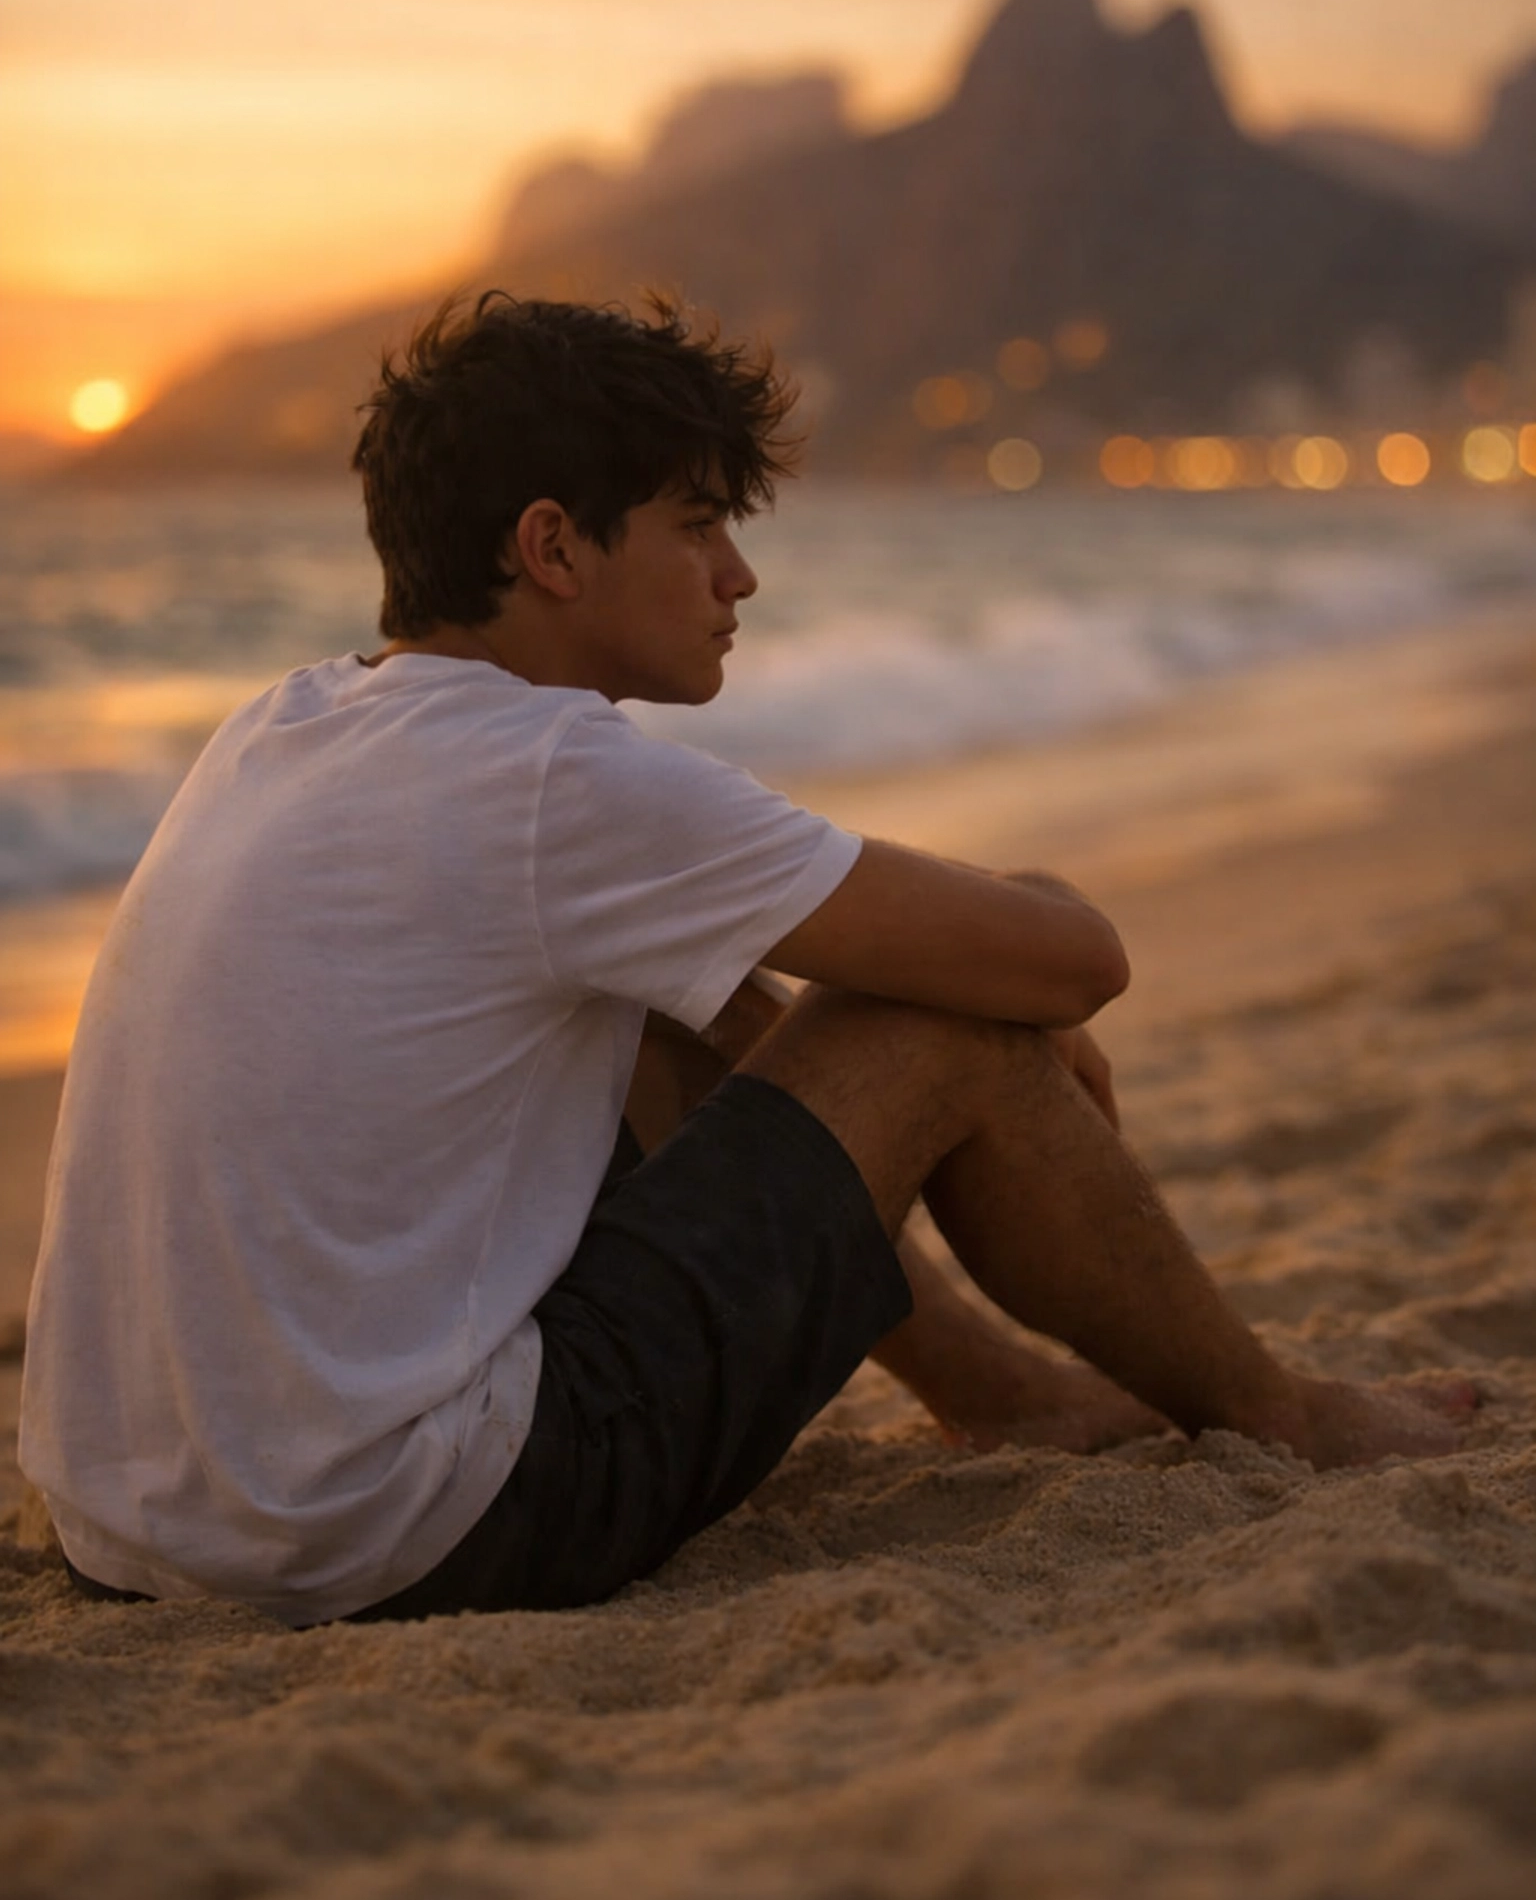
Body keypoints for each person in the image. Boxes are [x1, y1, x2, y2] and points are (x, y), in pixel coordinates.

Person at [19, 293, 1472, 1629]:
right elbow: (1072, 959)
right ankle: (1285, 1417)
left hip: (124, 1534)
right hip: (398, 1538)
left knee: (675, 1002)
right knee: (948, 1022)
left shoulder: (281, 726)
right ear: (552, 547)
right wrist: (1006, 1021)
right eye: (699, 525)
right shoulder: (550, 775)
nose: (742, 575)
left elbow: (732, 1012)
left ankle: (1004, 1391)